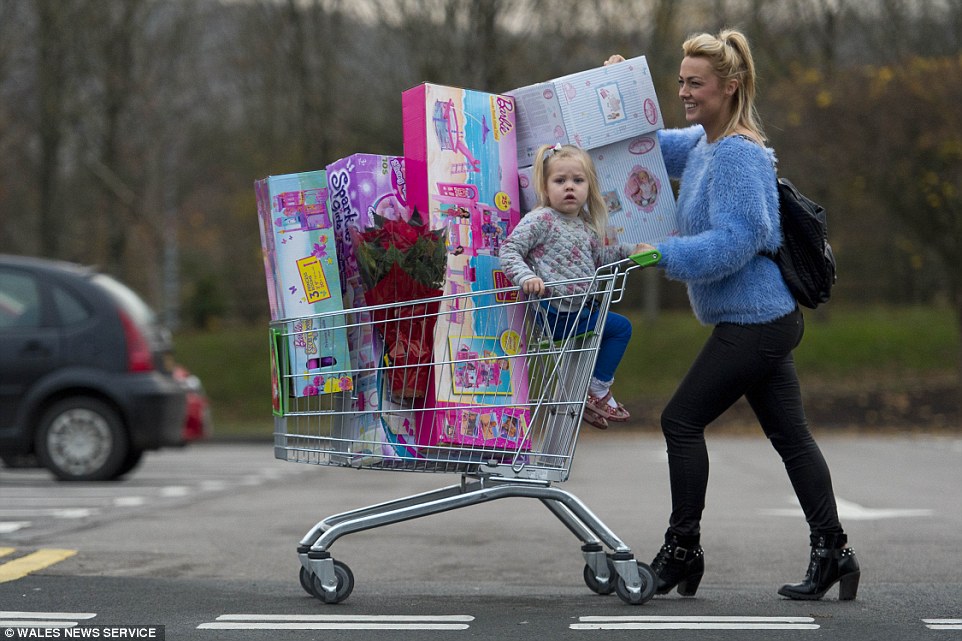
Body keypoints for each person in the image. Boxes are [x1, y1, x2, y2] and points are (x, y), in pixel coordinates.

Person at [606, 29, 859, 601]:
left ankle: (681, 549)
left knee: (680, 420)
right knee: (792, 438)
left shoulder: (739, 153)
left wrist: (660, 253)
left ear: (730, 86)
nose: (685, 92)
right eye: (680, 82)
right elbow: (641, 148)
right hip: (754, 317)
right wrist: (615, 89)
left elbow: (737, 242)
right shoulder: (701, 144)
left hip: (758, 319)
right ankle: (834, 553)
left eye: (696, 83)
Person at [500, 143, 645, 430]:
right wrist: (526, 277)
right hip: (554, 312)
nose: (569, 187)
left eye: (577, 181)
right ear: (545, 186)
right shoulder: (540, 219)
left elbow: (603, 257)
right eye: (560, 180)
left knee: (611, 328)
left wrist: (632, 250)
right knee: (620, 328)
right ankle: (597, 388)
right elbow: (509, 250)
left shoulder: (585, 226)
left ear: (589, 187)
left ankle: (588, 392)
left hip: (578, 309)